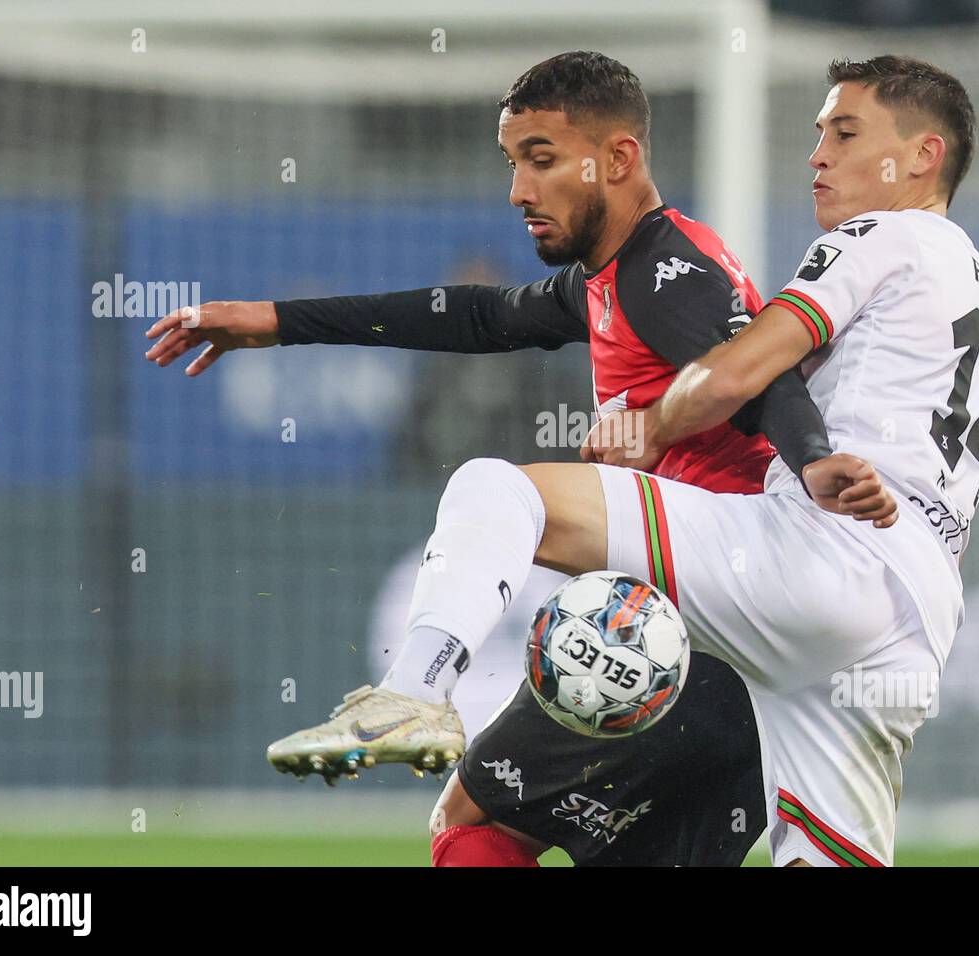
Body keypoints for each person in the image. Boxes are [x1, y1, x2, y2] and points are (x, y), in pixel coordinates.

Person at [144, 51, 895, 867]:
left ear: (617, 158)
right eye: (513, 162)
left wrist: (813, 458)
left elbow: (754, 374)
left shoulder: (662, 274)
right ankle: (414, 700)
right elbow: (472, 316)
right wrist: (276, 320)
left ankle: (415, 693)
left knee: (472, 808)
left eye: (541, 159)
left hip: (705, 627)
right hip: (757, 675)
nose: (519, 191)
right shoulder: (612, 280)